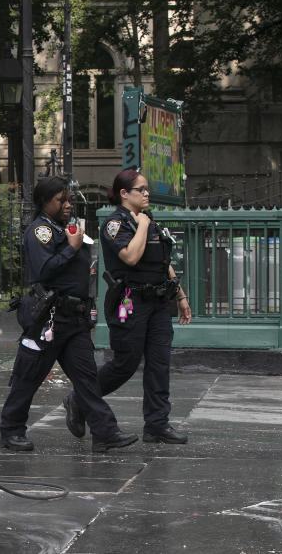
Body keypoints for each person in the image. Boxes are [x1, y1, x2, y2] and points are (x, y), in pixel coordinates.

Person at [0, 176, 137, 454]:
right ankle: (11, 430)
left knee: (87, 378)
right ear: (44, 202)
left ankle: (105, 432)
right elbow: (44, 270)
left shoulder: (64, 229)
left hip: (73, 318)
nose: (67, 204)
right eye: (60, 200)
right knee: (28, 376)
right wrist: (72, 247)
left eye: (68, 199)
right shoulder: (41, 231)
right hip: (49, 316)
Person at [96, 169, 192, 445]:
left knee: (159, 364)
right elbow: (130, 256)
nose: (147, 193)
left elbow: (163, 262)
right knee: (125, 363)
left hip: (159, 302)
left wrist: (181, 296)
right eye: (141, 189)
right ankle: (81, 398)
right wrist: (141, 226)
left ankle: (157, 424)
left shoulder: (149, 220)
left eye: (147, 189)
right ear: (124, 194)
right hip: (130, 301)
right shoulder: (115, 224)